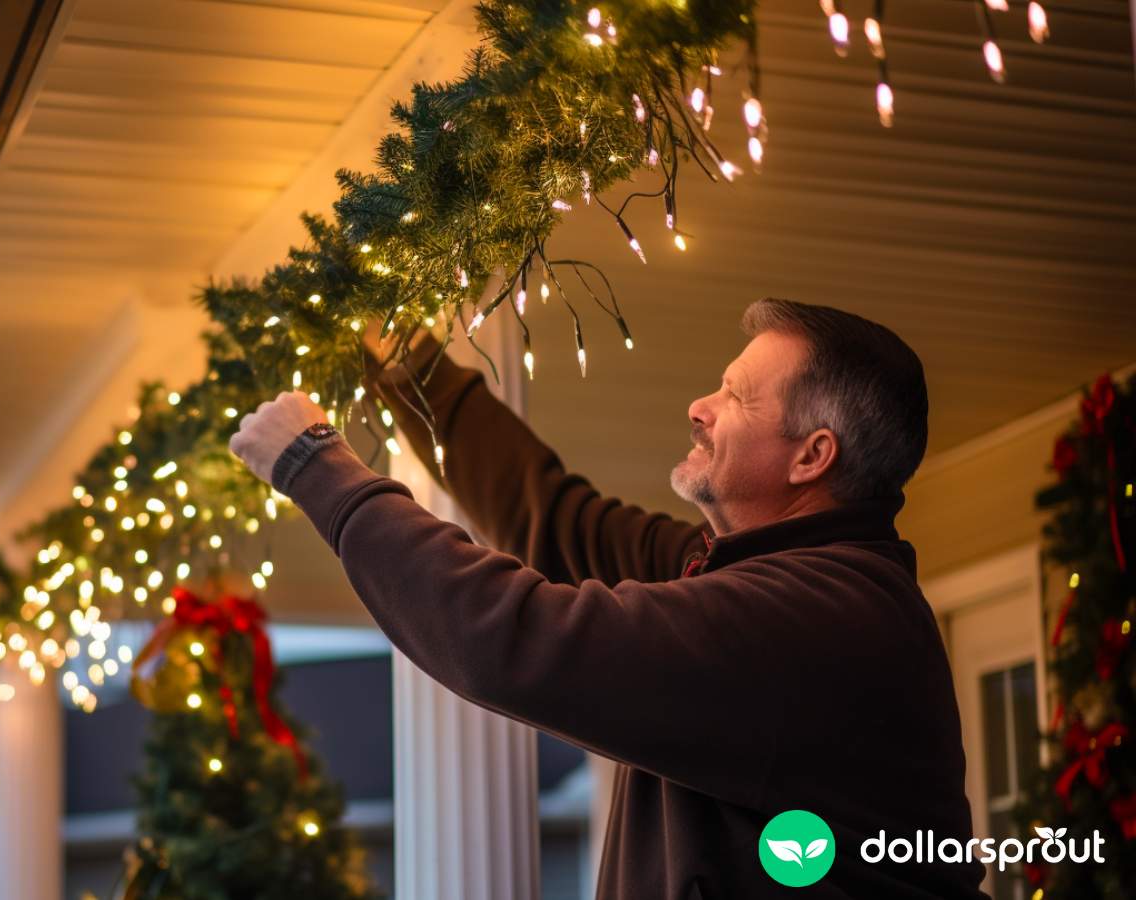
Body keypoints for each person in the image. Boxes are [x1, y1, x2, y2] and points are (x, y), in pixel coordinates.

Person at [228, 298, 987, 899]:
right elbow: (555, 519)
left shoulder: (819, 619)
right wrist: (401, 355)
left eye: (736, 397)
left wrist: (314, 467)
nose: (699, 405)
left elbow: (509, 640)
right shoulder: (739, 573)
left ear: (812, 456)